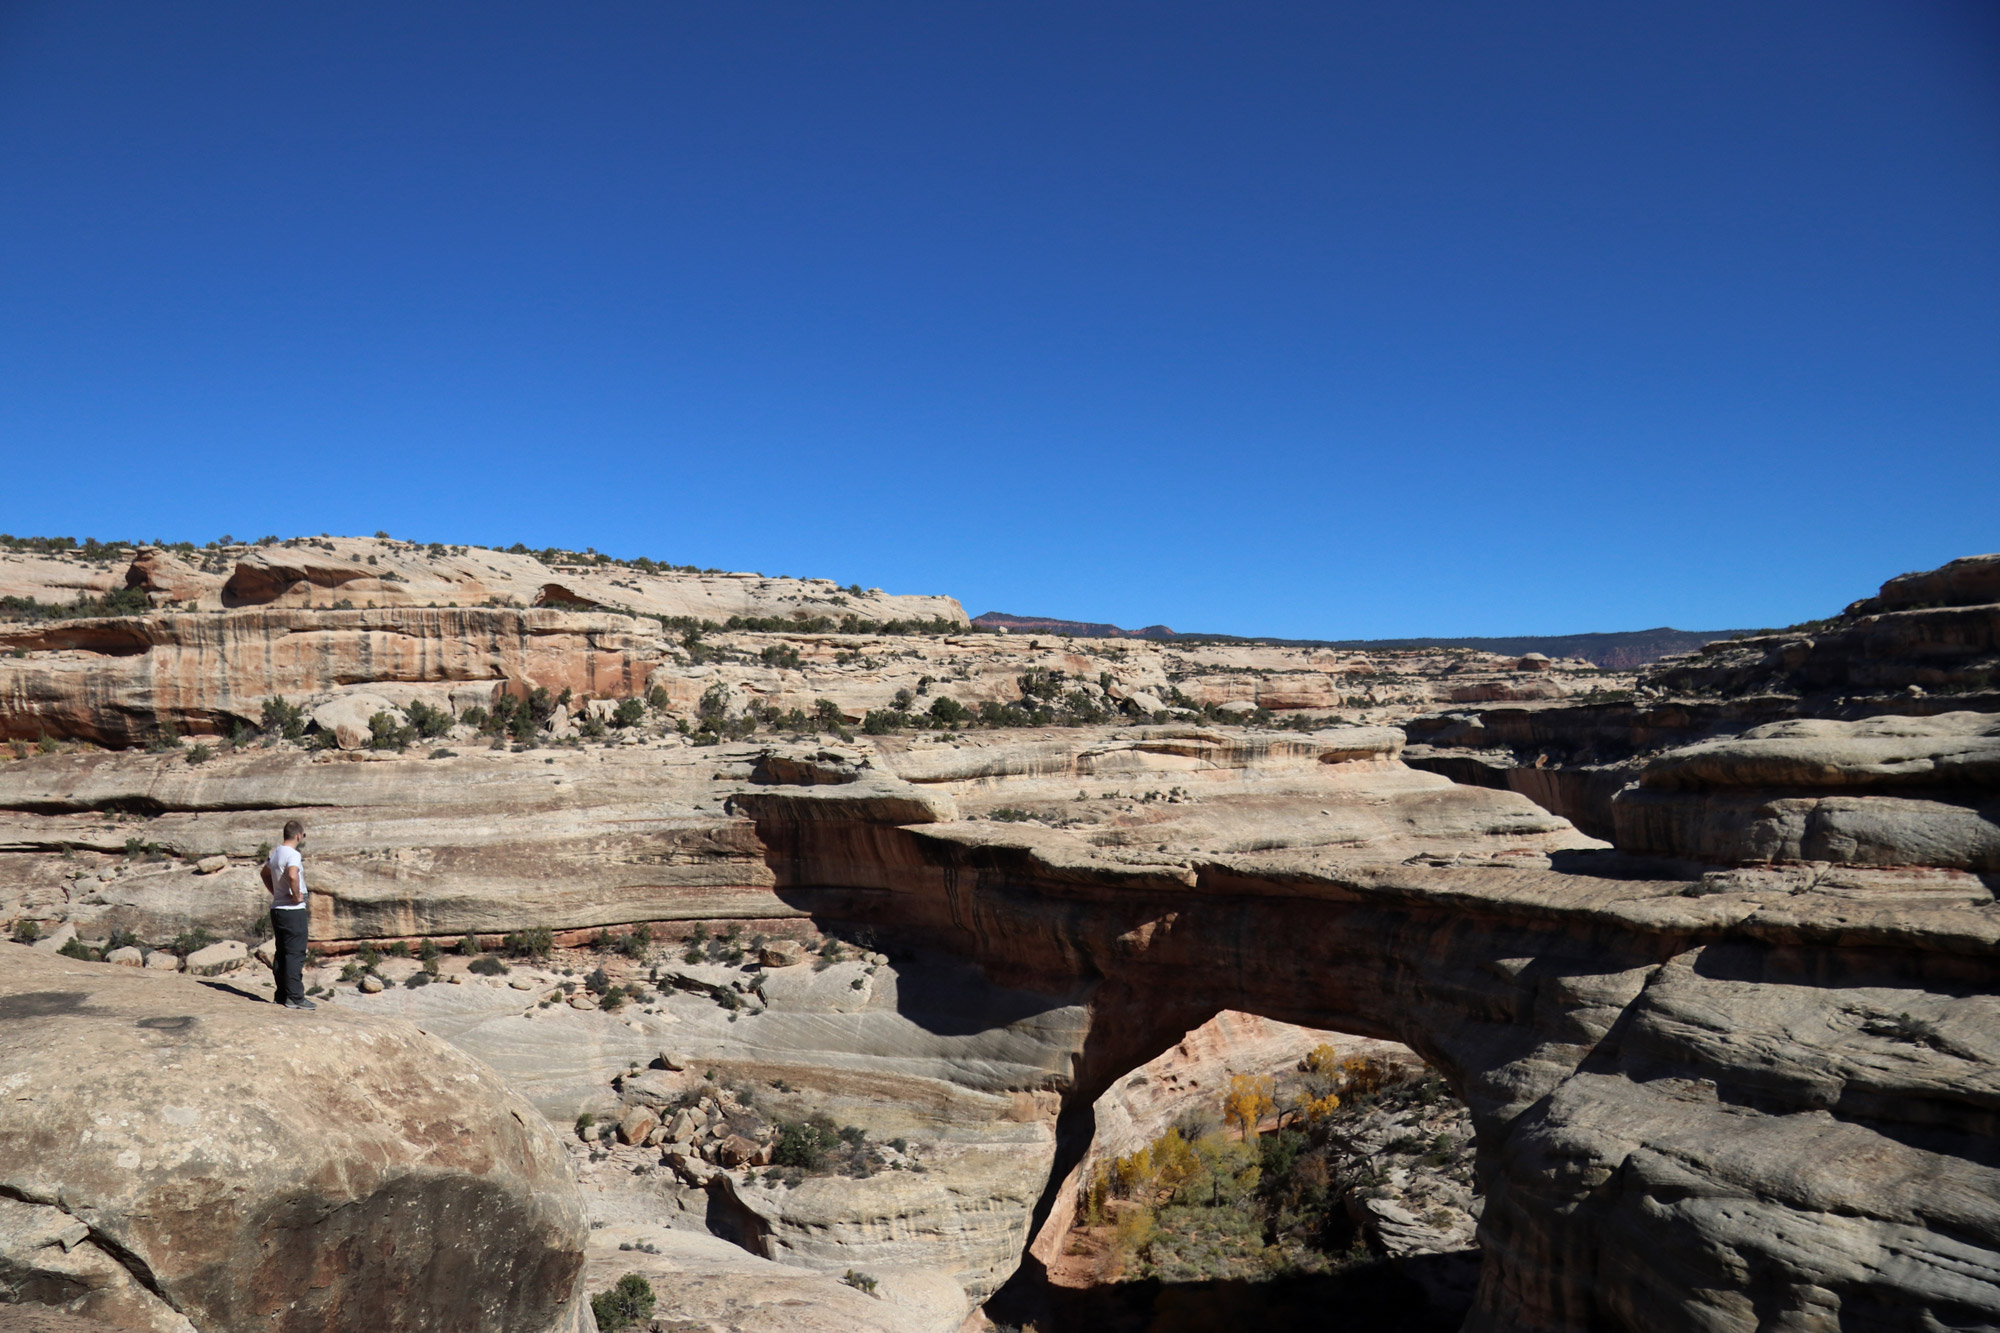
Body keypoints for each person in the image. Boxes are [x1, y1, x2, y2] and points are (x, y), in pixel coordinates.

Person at [260, 819, 315, 1010]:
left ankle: (281, 994)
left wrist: (276, 893)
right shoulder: (293, 854)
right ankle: (295, 997)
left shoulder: (275, 853)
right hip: (292, 911)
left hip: (278, 910)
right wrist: (294, 894)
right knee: (295, 954)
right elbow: (293, 875)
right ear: (298, 836)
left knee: (282, 952)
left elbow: (264, 874)